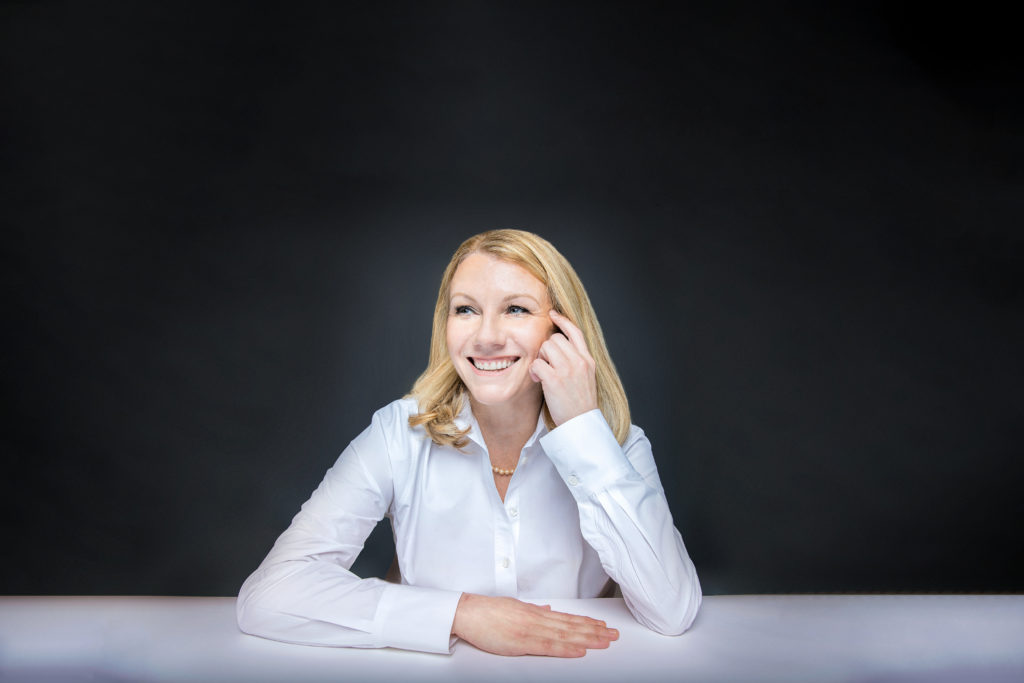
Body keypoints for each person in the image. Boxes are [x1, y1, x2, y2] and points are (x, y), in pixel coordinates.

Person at [236, 229, 701, 657]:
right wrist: (463, 614)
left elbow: (672, 610)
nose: (487, 337)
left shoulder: (617, 445)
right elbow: (269, 594)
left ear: (562, 331)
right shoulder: (400, 433)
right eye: (466, 309)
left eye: (516, 309)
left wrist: (582, 428)